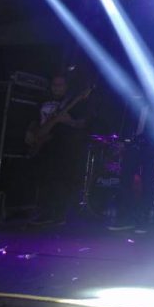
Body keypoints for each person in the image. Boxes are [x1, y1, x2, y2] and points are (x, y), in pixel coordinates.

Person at [26, 75, 89, 225]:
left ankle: (58, 214)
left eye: (60, 85)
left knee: (59, 181)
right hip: (42, 144)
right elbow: (34, 120)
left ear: (66, 86)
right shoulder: (42, 100)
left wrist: (69, 121)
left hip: (61, 147)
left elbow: (82, 124)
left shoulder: (73, 102)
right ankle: (44, 211)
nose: (56, 88)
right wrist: (30, 132)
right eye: (54, 84)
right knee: (43, 180)